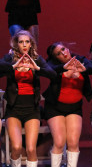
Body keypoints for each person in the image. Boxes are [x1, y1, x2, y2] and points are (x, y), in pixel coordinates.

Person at [0, 30, 56, 167]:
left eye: (27, 42)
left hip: (32, 110)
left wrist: (36, 68)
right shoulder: (10, 58)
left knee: (31, 149)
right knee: (17, 147)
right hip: (14, 109)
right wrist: (14, 66)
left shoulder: (36, 59)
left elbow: (53, 75)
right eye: (21, 42)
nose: (24, 45)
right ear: (16, 44)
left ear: (31, 44)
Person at [43, 42, 92, 167]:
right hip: (55, 108)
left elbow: (91, 67)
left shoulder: (80, 60)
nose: (64, 53)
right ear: (56, 58)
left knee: (73, 143)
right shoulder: (55, 66)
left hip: (74, 108)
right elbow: (48, 70)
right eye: (59, 54)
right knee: (59, 143)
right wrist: (65, 68)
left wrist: (83, 68)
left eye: (64, 49)